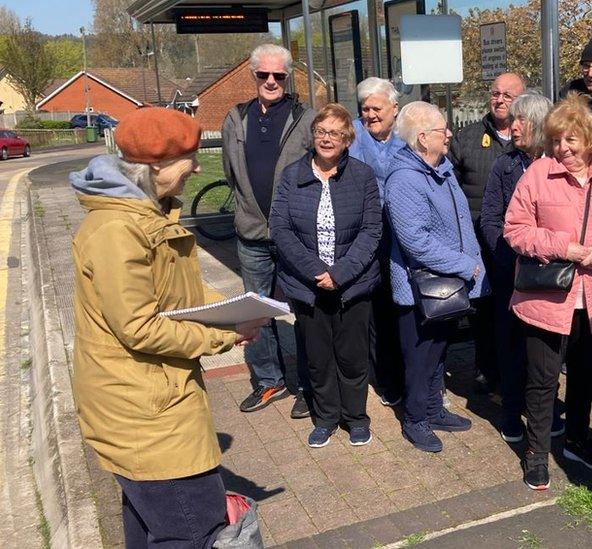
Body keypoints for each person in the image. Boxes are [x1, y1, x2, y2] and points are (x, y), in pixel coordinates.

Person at [70, 107, 265, 547]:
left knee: (154, 528)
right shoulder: (118, 229)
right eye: (189, 158)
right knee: (193, 532)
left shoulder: (150, 214)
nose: (197, 167)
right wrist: (227, 334)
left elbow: (182, 296)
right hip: (148, 416)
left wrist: (239, 310)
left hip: (151, 404)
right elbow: (139, 327)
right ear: (155, 165)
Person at [504, 93, 592, 489]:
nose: (562, 148)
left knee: (584, 375)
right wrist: (562, 247)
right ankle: (536, 452)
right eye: (557, 140)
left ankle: (578, 439)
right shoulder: (537, 175)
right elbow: (514, 229)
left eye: (571, 140)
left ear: (590, 139)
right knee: (543, 378)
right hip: (547, 298)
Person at [270, 103, 382, 448]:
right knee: (318, 358)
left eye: (335, 133)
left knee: (352, 356)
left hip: (352, 284)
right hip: (309, 287)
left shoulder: (362, 176)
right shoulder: (292, 175)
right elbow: (280, 228)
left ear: (347, 139)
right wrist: (317, 271)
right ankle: (327, 417)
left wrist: (340, 273)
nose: (327, 139)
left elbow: (371, 230)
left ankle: (355, 417)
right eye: (321, 131)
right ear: (313, 136)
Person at [386, 101, 489, 453]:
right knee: (420, 358)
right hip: (421, 288)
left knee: (438, 352)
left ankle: (433, 409)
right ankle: (415, 419)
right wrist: (464, 265)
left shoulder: (440, 168)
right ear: (422, 137)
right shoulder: (404, 179)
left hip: (447, 284)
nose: (449, 135)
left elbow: (459, 224)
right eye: (443, 129)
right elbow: (415, 241)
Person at [222, 43, 315, 416]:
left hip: (294, 234)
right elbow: (230, 172)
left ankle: (311, 386)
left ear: (288, 76)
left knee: (305, 310)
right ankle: (269, 381)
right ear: (254, 76)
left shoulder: (306, 118)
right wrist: (246, 207)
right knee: (254, 310)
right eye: (264, 75)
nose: (272, 81)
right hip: (251, 234)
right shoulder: (235, 117)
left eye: (279, 75)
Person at [480, 90, 565, 443]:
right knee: (511, 344)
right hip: (512, 273)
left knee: (546, 350)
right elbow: (490, 217)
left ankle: (544, 409)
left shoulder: (561, 164)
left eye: (520, 120)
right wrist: (510, 257)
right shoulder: (505, 164)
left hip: (552, 273)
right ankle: (512, 411)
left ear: (539, 124)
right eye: (511, 119)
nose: (512, 126)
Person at [448, 72, 526, 394]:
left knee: (515, 309)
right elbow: (448, 187)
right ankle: (485, 368)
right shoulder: (467, 138)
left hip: (521, 244)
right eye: (495, 93)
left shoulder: (532, 140)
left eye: (508, 95)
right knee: (483, 308)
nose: (499, 100)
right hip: (479, 242)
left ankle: (515, 370)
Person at [348, 77, 408, 407]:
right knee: (378, 309)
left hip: (404, 235)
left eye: (377, 108)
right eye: (365, 108)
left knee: (404, 307)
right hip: (367, 234)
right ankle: (386, 378)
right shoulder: (353, 135)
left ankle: (411, 373)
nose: (370, 114)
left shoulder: (409, 134)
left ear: (394, 109)